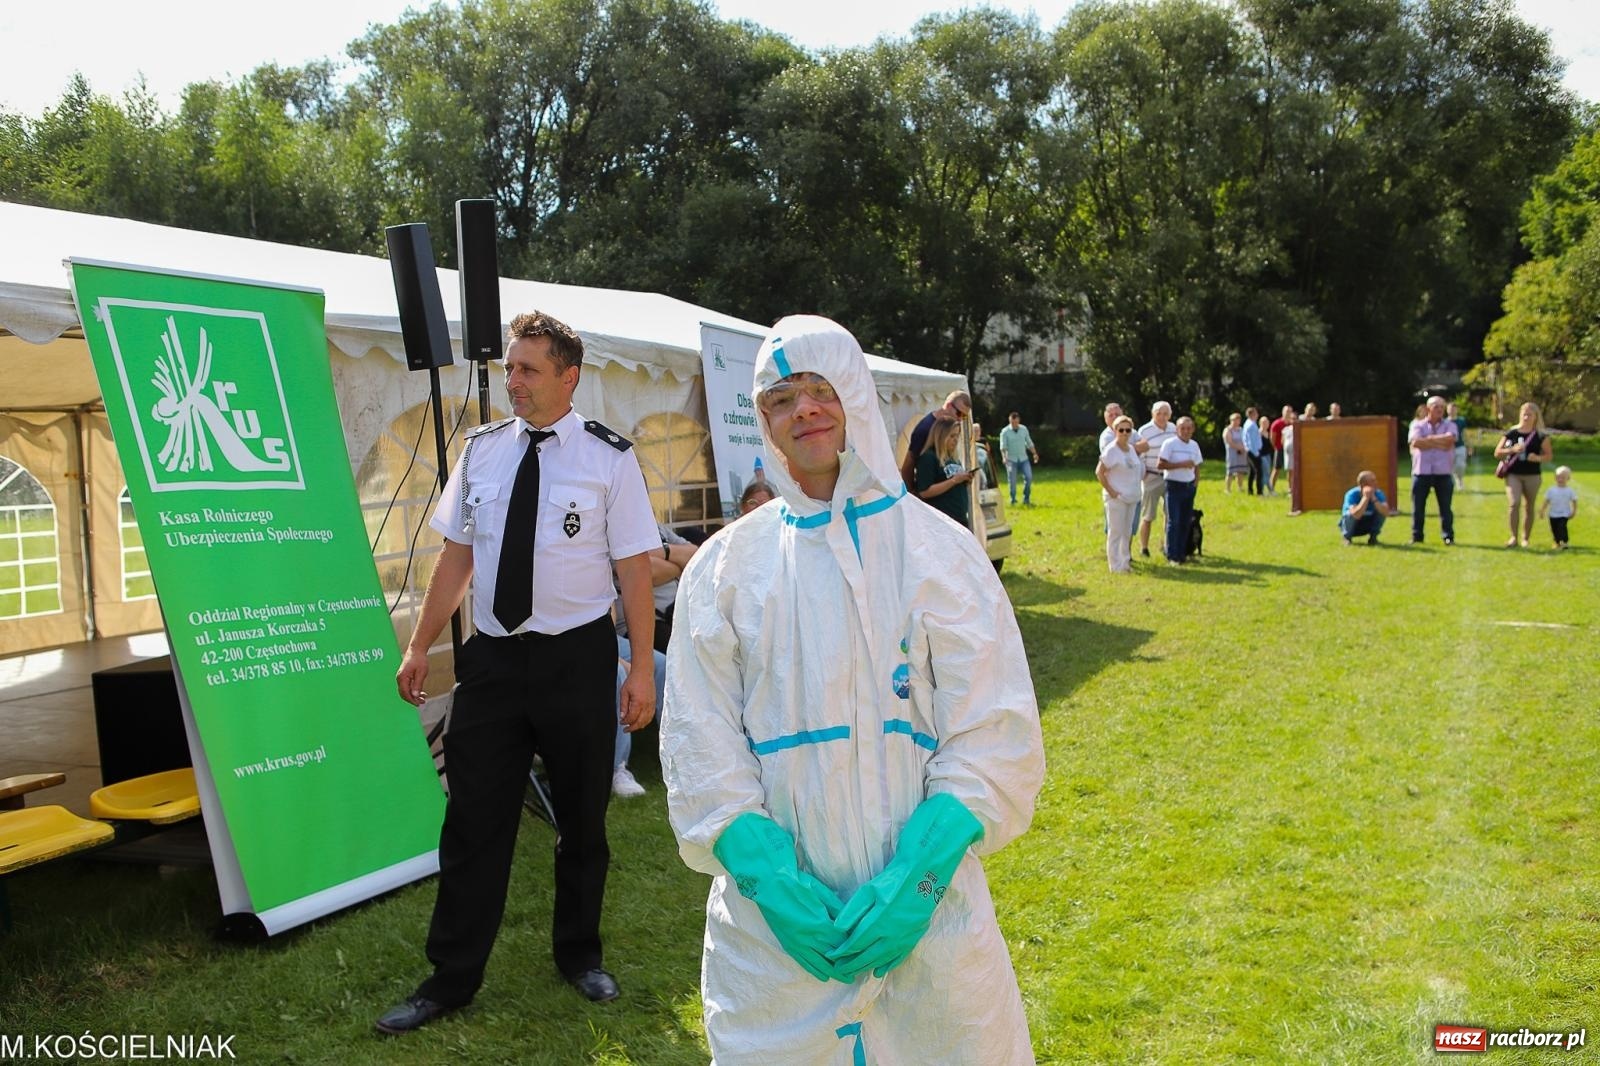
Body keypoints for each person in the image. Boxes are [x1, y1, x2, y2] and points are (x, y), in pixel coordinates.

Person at [660, 315, 1044, 1065]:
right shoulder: (726, 568)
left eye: (820, 388)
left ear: (856, 396)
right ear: (763, 420)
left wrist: (919, 876)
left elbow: (994, 730)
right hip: (775, 952)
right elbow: (697, 737)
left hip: (931, 933)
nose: (803, 409)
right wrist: (766, 874)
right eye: (780, 398)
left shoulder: (941, 554)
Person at [377, 311, 661, 1034]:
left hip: (577, 657)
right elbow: (456, 556)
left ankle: (579, 955)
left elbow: (635, 569)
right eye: (510, 368)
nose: (515, 381)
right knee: (474, 821)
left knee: (582, 820)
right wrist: (420, 644)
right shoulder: (482, 451)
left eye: (529, 369)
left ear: (569, 377)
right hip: (496, 660)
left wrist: (640, 671)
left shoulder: (609, 458)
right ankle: (450, 978)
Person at [611, 523, 697, 797]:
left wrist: (664, 552)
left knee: (664, 666)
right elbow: (644, 570)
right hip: (614, 631)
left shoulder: (659, 529)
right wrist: (677, 564)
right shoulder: (610, 527)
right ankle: (616, 768)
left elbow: (698, 555)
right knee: (617, 672)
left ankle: (681, 757)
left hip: (677, 616)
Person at [1493, 401, 1553, 548]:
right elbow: (1497, 453)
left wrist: (1537, 458)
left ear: (1536, 417)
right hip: (1513, 474)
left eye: (1529, 415)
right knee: (1514, 503)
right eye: (1524, 414)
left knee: (1529, 506)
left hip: (1532, 475)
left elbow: (1548, 456)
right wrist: (1512, 450)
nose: (1526, 417)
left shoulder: (1540, 435)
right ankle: (1513, 537)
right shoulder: (1512, 433)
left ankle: (1525, 538)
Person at [1407, 395, 1458, 545]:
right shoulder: (1417, 424)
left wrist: (1428, 440)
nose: (1440, 410)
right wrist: (1439, 442)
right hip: (1421, 472)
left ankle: (1448, 536)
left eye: (1442, 407)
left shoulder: (1450, 424)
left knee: (1445, 507)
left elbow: (1450, 440)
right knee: (1418, 507)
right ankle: (1417, 536)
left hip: (1443, 472)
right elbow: (1416, 442)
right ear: (1428, 408)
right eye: (1436, 407)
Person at [898, 390, 971, 490]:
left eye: (964, 416)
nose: (960, 419)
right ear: (948, 406)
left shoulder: (953, 426)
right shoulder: (925, 429)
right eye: (959, 413)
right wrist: (912, 492)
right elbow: (909, 463)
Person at [1096, 414, 1142, 572]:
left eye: (1128, 430)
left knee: (1127, 531)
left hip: (1132, 496)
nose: (1124, 433)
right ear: (1115, 431)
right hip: (1117, 498)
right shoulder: (1111, 450)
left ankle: (1125, 563)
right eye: (1121, 430)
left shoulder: (1131, 449)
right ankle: (1115, 565)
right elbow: (1099, 472)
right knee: (1115, 532)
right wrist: (1111, 491)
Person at [914, 416, 976, 527]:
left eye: (957, 436)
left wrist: (965, 479)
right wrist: (954, 481)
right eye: (952, 436)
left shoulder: (952, 457)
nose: (956, 440)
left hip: (959, 518)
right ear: (941, 436)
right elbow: (924, 492)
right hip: (942, 521)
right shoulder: (928, 457)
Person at [1158, 416, 1203, 565]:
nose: (1186, 431)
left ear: (1193, 430)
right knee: (1174, 521)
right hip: (1174, 486)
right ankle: (1172, 555)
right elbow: (1160, 464)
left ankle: (1182, 553)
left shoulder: (1194, 445)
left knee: (1185, 522)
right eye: (1182, 428)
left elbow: (1197, 466)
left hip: (1189, 486)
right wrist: (1181, 464)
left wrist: (1195, 483)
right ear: (1177, 429)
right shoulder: (1169, 444)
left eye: (1189, 428)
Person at [1135, 401, 1177, 558]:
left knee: (1170, 514)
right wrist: (1143, 473)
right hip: (1151, 476)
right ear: (1153, 414)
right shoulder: (1144, 430)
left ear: (1170, 415)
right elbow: (1139, 454)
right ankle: (1144, 548)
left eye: (1165, 414)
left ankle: (1167, 545)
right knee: (1148, 515)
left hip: (1170, 476)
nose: (1162, 417)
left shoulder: (1173, 429)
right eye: (1158, 413)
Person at [998, 410, 1041, 506]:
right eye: (1012, 422)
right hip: (1011, 460)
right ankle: (1013, 499)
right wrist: (1004, 457)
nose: (1014, 424)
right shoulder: (1005, 432)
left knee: (1029, 477)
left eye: (1016, 422)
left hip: (1023, 458)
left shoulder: (1024, 429)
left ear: (1019, 421)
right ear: (1009, 421)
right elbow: (1003, 447)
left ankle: (1026, 498)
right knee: (1012, 481)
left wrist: (1034, 453)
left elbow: (1029, 442)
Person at [1340, 470, 1391, 545]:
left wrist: (1373, 498)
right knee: (1349, 514)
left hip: (1367, 525)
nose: (1376, 483)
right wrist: (1365, 498)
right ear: (1363, 484)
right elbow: (1356, 515)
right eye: (1372, 481)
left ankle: (1373, 539)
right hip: (1353, 527)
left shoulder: (1378, 493)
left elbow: (1386, 512)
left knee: (1381, 510)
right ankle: (1347, 538)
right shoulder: (1351, 494)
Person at [1539, 465, 1577, 550]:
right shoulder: (1551, 490)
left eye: (1563, 477)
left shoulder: (1569, 491)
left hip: (1564, 514)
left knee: (1562, 527)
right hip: (1553, 514)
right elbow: (1546, 501)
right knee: (1554, 529)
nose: (1560, 479)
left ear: (1568, 478)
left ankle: (1564, 542)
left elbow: (1574, 501)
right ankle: (1557, 542)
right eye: (1558, 477)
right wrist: (1542, 511)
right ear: (1555, 478)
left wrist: (1573, 511)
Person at [1222, 412, 1249, 493]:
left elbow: (1246, 440)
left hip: (1242, 454)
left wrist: (1244, 448)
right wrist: (1239, 448)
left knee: (1240, 471)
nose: (1236, 422)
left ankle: (1240, 487)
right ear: (1231, 420)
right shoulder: (1227, 430)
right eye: (1234, 420)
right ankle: (1227, 489)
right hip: (1232, 454)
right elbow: (1230, 442)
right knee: (1230, 472)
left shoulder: (1241, 430)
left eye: (1238, 420)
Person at [1268, 406, 1292, 493]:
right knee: (1276, 469)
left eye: (1289, 411)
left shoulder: (1292, 424)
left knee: (1290, 470)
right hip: (1279, 449)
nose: (1288, 413)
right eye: (1286, 411)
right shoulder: (1277, 423)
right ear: (1283, 412)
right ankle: (1271, 488)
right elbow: (1272, 438)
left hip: (1290, 451)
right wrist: (1276, 447)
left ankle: (1290, 489)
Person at [1446, 401, 1470, 488]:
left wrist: (1469, 445)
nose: (1452, 411)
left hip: (1460, 446)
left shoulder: (1461, 421)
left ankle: (1459, 480)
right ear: (1447, 410)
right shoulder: (1444, 422)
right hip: (1448, 448)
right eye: (1450, 409)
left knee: (1460, 465)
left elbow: (1465, 434)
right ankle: (1451, 483)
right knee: (1450, 467)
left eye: (1454, 409)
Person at [1242, 406, 1263, 495]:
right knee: (1259, 471)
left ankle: (1250, 490)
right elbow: (1252, 441)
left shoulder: (1247, 423)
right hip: (1253, 451)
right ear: (1251, 414)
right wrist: (1256, 453)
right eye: (1256, 413)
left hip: (1249, 450)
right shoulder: (1252, 425)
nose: (1257, 415)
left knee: (1252, 471)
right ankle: (1259, 491)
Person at [1256, 414, 1276, 496]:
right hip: (1261, 455)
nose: (1266, 424)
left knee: (1267, 472)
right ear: (1260, 423)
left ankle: (1269, 490)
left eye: (1267, 422)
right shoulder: (1258, 433)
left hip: (1268, 455)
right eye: (1264, 422)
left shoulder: (1268, 433)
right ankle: (1267, 490)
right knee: (1265, 472)